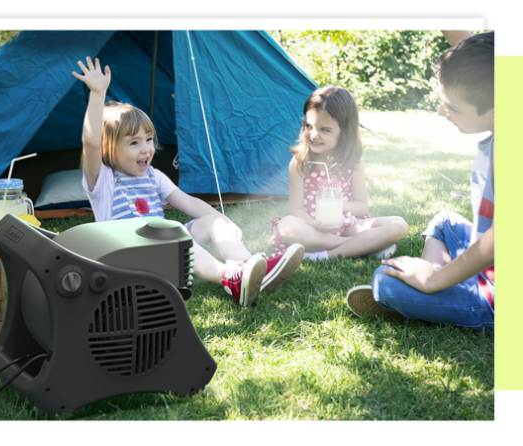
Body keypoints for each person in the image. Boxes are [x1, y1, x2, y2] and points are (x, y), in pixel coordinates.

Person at [72, 56, 304, 308]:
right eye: (134, 143)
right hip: (127, 262)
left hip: (163, 254)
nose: (146, 149)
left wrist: (224, 222)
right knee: (173, 235)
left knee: (210, 221)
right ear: (109, 150)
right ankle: (229, 278)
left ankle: (251, 268)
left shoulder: (153, 177)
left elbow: (188, 202)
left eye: (148, 139)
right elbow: (91, 143)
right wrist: (98, 94)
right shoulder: (103, 181)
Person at [346, 31, 495, 332]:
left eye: (452, 107)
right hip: (483, 264)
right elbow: (481, 63)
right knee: (443, 221)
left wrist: (432, 279)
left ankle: (432, 295)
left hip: (494, 295)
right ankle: (437, 292)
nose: (442, 111)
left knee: (384, 283)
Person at [270, 85, 408, 261]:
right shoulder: (300, 163)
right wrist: (314, 224)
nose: (313, 135)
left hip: (347, 224)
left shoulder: (353, 162)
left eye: (324, 129)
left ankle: (323, 255)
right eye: (308, 126)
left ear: (345, 132)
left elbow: (361, 205)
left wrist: (338, 206)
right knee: (287, 226)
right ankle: (355, 245)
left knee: (398, 225)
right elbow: (296, 210)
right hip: (312, 228)